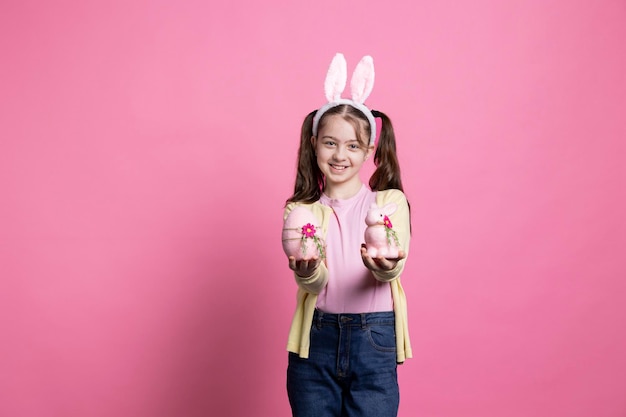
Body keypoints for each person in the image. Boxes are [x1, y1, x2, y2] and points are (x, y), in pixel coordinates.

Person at [282, 53, 412, 417]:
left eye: (353, 146)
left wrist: (384, 265)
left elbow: (390, 270)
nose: (341, 155)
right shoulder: (301, 210)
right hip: (315, 342)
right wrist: (307, 270)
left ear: (370, 150)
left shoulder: (389, 202)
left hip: (375, 340)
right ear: (313, 143)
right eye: (330, 143)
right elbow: (314, 281)